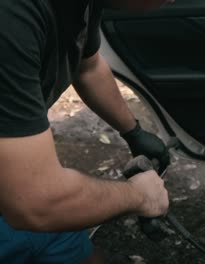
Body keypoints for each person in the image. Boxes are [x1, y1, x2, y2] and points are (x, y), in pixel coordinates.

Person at [0, 0, 174, 263]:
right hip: (23, 201)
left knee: (65, 234)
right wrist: (139, 196)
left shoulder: (81, 4)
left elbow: (87, 65)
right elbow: (36, 203)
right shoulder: (10, 19)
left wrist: (133, 131)